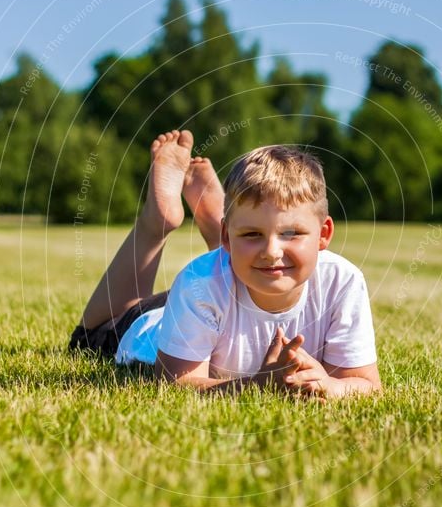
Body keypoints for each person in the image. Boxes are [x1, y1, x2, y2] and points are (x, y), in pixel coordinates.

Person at [70, 130, 381, 399]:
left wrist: (330, 385)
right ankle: (156, 222)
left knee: (231, 269)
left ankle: (220, 221)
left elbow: (366, 384)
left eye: (292, 234)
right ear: (228, 237)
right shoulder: (198, 284)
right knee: (89, 336)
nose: (273, 252)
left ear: (323, 234)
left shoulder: (343, 282)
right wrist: (258, 386)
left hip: (218, 298)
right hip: (158, 322)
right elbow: (175, 383)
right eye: (252, 234)